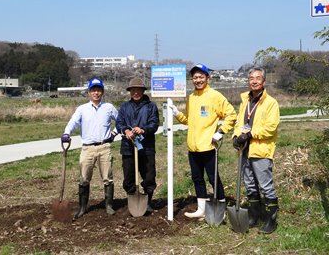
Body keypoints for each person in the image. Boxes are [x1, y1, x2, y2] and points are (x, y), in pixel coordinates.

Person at [170, 63, 237, 218]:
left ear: (208, 78)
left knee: (213, 178)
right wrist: (177, 114)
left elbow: (231, 114)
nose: (198, 80)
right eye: (195, 77)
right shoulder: (191, 97)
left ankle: (221, 208)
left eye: (201, 77)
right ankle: (201, 209)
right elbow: (189, 121)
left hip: (208, 146)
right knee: (197, 178)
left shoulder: (215, 96)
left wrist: (221, 131)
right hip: (192, 146)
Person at [61, 77, 119, 219]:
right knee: (84, 179)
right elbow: (73, 123)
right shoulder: (82, 109)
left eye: (99, 90)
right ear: (89, 93)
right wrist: (66, 133)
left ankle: (109, 206)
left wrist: (115, 132)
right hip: (87, 148)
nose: (96, 93)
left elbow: (121, 121)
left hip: (105, 147)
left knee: (108, 178)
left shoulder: (109, 108)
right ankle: (82, 208)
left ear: (102, 92)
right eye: (93, 90)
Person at [232, 67, 280, 234]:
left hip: (261, 151)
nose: (254, 81)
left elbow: (271, 128)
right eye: (251, 78)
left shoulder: (271, 103)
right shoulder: (245, 101)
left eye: (258, 78)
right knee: (250, 185)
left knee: (265, 186)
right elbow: (239, 123)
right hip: (245, 151)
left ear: (263, 81)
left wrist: (251, 134)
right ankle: (254, 216)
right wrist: (236, 136)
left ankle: (271, 220)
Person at [116, 77, 160, 213]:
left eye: (139, 90)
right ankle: (132, 199)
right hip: (128, 148)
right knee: (128, 177)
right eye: (133, 90)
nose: (136, 93)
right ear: (130, 91)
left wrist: (143, 129)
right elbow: (119, 123)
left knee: (149, 177)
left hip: (146, 147)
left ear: (143, 91)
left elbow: (154, 123)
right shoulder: (124, 107)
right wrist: (126, 130)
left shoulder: (151, 106)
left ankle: (147, 202)